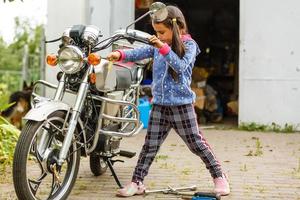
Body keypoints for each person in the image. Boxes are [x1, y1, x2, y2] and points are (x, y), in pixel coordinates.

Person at [107, 5, 230, 197]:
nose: (159, 36)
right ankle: (136, 183)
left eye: (162, 32)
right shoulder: (158, 46)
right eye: (156, 32)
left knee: (196, 144)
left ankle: (219, 177)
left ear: (177, 27)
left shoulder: (189, 46)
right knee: (150, 146)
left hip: (181, 106)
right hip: (160, 106)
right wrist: (120, 54)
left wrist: (162, 47)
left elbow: (180, 66)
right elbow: (140, 52)